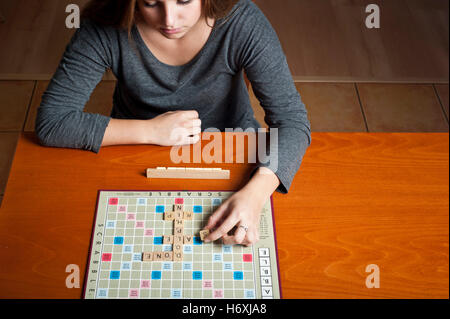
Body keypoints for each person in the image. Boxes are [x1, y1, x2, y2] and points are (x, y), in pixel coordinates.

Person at [35, 0, 311, 246]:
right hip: (135, 150)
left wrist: (258, 189)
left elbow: (292, 121)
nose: (169, 20)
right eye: (150, 2)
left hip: (230, 148)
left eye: (184, 1)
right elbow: (53, 121)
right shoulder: (106, 22)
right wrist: (151, 130)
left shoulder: (242, 20)